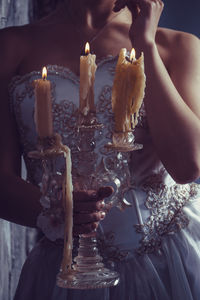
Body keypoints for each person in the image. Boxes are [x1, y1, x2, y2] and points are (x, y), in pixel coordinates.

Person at [0, 0, 200, 299]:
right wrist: (56, 210)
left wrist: (145, 42)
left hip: (169, 257)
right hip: (67, 268)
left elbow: (188, 165)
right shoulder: (11, 46)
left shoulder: (176, 45)